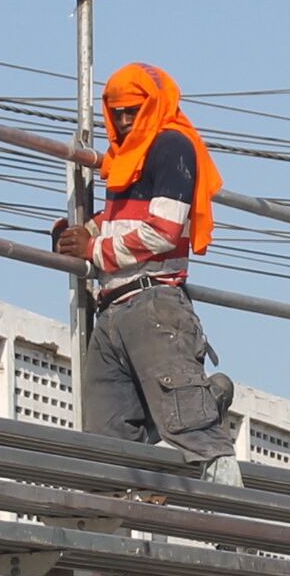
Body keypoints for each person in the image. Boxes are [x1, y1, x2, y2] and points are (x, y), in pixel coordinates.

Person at [53, 62, 242, 486]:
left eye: (131, 111)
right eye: (116, 111)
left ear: (152, 106)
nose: (122, 120)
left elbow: (163, 231)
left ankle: (235, 530)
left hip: (153, 304)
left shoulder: (170, 144)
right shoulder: (125, 158)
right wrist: (83, 233)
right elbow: (125, 220)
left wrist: (93, 248)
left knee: (195, 432)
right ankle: (109, 534)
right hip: (113, 309)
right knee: (104, 446)